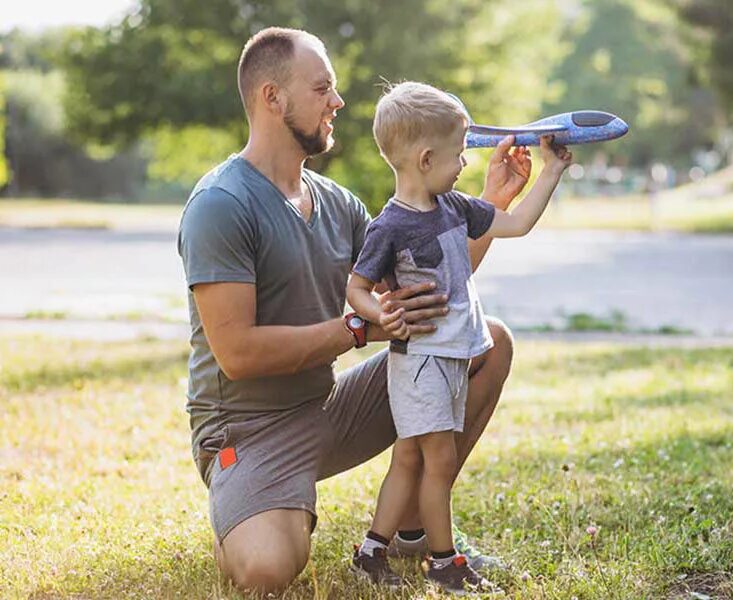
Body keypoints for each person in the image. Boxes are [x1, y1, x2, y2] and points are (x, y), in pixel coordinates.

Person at [176, 27, 532, 595]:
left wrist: (491, 204)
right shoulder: (221, 205)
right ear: (273, 98)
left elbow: (431, 287)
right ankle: (245, 507)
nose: (338, 102)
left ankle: (415, 534)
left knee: (487, 344)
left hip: (326, 407)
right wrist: (357, 327)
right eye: (323, 89)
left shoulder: (338, 203)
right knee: (267, 571)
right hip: (247, 429)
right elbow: (237, 353)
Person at [345, 82, 572, 593]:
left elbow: (514, 223)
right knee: (438, 463)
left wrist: (552, 172)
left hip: (449, 357)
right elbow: (356, 288)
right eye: (459, 152)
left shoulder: (455, 207)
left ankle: (372, 552)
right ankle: (445, 562)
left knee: (409, 458)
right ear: (426, 158)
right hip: (421, 361)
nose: (465, 163)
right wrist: (379, 310)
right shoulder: (390, 226)